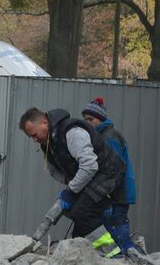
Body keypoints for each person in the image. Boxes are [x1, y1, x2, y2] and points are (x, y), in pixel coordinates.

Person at [19, 107, 125, 258]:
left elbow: (90, 166)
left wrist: (71, 191)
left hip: (107, 173)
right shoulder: (49, 144)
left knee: (82, 212)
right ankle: (79, 252)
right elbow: (56, 170)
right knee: (73, 212)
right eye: (31, 137)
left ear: (44, 122)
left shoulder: (71, 132)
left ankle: (114, 255)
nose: (34, 140)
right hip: (92, 176)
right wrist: (71, 187)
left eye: (34, 134)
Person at [82, 97, 139, 255]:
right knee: (115, 233)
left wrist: (105, 191)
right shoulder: (103, 136)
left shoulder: (109, 137)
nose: (87, 123)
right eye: (85, 120)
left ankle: (134, 257)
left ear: (100, 119)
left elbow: (115, 169)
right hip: (115, 192)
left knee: (119, 235)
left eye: (90, 119)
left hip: (118, 193)